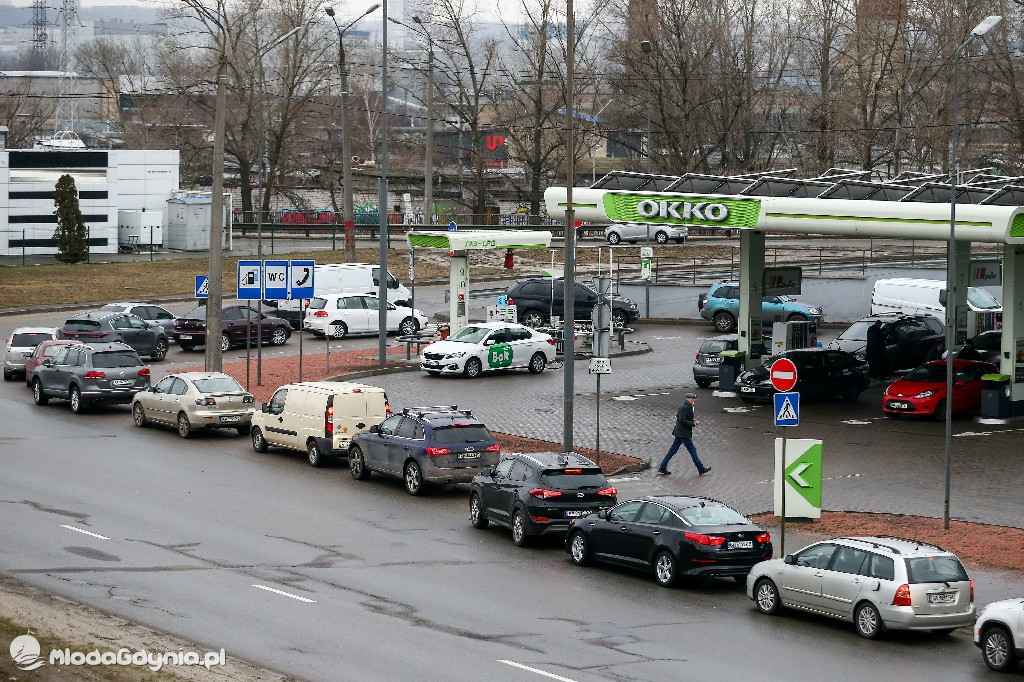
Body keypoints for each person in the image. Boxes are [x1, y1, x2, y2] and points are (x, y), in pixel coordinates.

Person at [657, 393, 710, 476]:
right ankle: (701, 469)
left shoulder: (688, 406)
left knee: (672, 451)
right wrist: (693, 424)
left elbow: (687, 418)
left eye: (694, 398)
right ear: (687, 399)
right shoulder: (684, 407)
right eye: (691, 398)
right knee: (692, 450)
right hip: (683, 433)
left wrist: (693, 421)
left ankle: (662, 467)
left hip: (680, 433)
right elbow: (682, 419)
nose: (693, 400)